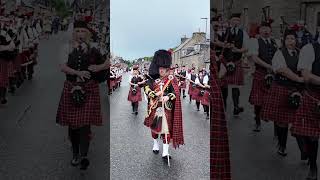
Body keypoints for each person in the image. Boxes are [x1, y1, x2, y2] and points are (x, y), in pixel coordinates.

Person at [56, 20, 106, 170]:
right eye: (77, 31)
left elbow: (108, 62)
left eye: (83, 31)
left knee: (85, 125)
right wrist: (77, 72)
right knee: (73, 125)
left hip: (89, 88)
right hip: (71, 87)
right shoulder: (66, 48)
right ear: (73, 33)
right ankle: (75, 153)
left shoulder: (95, 48)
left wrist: (99, 66)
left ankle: (83, 155)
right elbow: (62, 67)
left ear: (87, 33)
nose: (80, 34)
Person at [261, 29, 304, 156]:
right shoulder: (279, 54)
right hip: (282, 88)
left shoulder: (300, 53)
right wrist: (298, 78)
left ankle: (304, 151)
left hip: (297, 90)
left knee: (300, 120)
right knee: (282, 121)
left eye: (293, 39)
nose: (291, 42)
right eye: (288, 39)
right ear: (284, 41)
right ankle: (282, 145)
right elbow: (282, 70)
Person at [143, 50, 184, 161]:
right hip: (155, 107)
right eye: (160, 68)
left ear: (167, 69)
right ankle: (155, 144)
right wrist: (153, 94)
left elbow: (176, 93)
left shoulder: (171, 80)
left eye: (163, 68)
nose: (161, 70)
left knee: (166, 130)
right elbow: (146, 88)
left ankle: (165, 152)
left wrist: (167, 97)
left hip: (167, 109)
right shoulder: (151, 79)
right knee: (155, 128)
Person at [290, 36, 320, 180]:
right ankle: (313, 167)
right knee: (312, 135)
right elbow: (306, 75)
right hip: (314, 96)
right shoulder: (309, 49)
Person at [248, 19, 278, 132]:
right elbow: (255, 58)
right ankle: (257, 121)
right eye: (263, 29)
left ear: (270, 30)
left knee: (274, 100)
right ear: (259, 30)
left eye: (268, 29)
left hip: (274, 74)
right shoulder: (255, 41)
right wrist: (268, 66)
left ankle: (277, 127)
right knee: (258, 100)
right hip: (261, 73)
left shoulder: (275, 42)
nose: (266, 31)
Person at [220, 12, 250, 115]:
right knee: (224, 86)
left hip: (236, 61)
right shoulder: (224, 31)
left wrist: (237, 50)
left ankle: (236, 107)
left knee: (235, 86)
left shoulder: (243, 33)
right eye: (234, 20)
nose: (236, 22)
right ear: (230, 21)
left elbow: (246, 48)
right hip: (225, 61)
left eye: (238, 20)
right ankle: (223, 106)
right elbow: (219, 44)